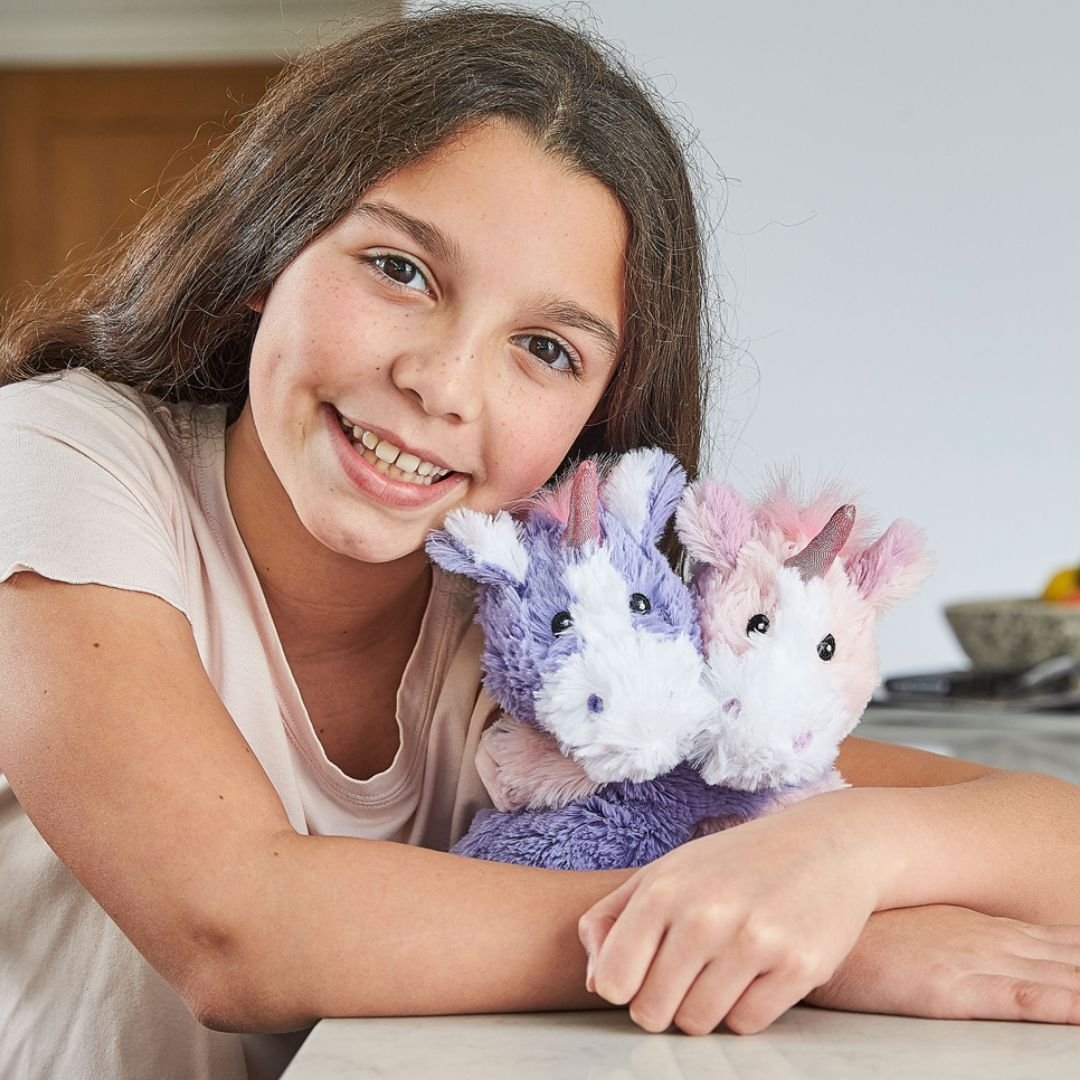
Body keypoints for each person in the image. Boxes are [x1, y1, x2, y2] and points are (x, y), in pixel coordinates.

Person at [1, 6, 1078, 1079]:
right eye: (400, 269)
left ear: (596, 426)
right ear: (267, 245)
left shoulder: (550, 620)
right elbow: (234, 927)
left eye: (547, 349)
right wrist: (767, 944)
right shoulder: (56, 457)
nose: (442, 384)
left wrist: (840, 855)